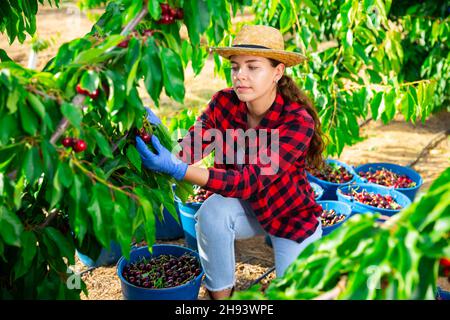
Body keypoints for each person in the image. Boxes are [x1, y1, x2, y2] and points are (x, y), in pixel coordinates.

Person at [136, 25, 327, 300]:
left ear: (278, 72)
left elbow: (251, 181)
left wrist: (179, 170)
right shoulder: (224, 103)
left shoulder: (297, 121)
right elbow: (188, 149)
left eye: (252, 67)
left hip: (289, 216)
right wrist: (155, 135)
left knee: (294, 295)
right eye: (235, 67)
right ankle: (221, 298)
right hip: (245, 207)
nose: (241, 76)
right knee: (211, 212)